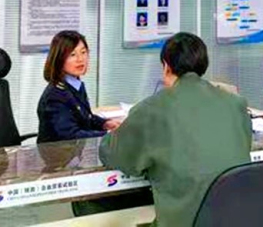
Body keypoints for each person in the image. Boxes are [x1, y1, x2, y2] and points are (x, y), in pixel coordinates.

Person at [100, 33, 252, 227]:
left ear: (166, 66)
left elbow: (119, 156)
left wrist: (110, 138)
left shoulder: (152, 109)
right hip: (239, 219)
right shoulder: (235, 103)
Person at [37, 31, 121, 143]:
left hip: (76, 151)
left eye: (83, 52)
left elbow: (85, 117)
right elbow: (70, 135)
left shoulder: (75, 85)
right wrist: (108, 135)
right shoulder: (55, 96)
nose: (80, 59)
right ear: (59, 59)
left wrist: (105, 123)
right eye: (72, 55)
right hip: (58, 153)